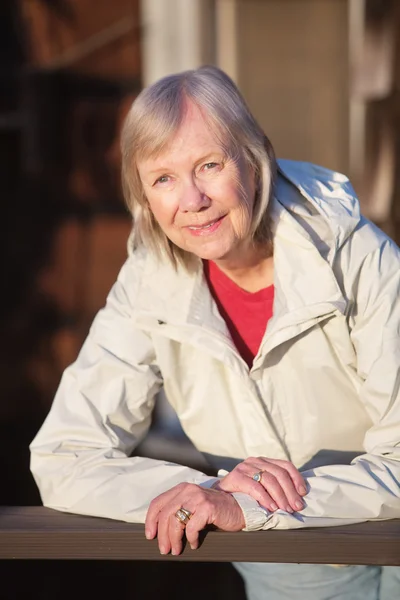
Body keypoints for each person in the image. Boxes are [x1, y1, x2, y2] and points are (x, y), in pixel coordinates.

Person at [30, 66, 400, 599]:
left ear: (255, 160)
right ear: (144, 197)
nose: (192, 200)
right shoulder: (147, 281)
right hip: (284, 560)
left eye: (209, 165)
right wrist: (205, 492)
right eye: (163, 178)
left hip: (386, 531)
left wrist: (249, 505)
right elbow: (64, 454)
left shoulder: (357, 256)